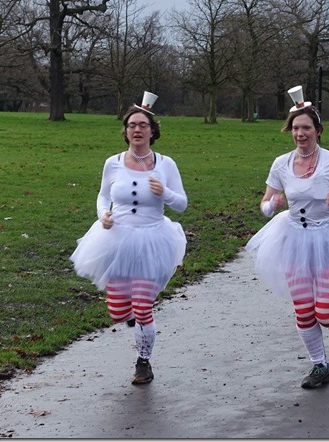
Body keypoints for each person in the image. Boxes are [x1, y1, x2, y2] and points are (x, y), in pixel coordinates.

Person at [246, 86, 329, 389]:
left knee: (323, 312)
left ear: (318, 130)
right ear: (290, 130)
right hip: (293, 239)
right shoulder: (281, 164)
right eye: (296, 128)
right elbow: (264, 204)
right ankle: (319, 366)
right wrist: (270, 206)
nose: (300, 134)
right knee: (303, 310)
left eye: (306, 128)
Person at [70, 91, 188, 385]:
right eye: (132, 125)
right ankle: (133, 316)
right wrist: (103, 215)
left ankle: (143, 362)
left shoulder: (166, 164)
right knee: (118, 310)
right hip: (117, 239)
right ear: (125, 131)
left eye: (143, 125)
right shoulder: (113, 163)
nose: (137, 129)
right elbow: (102, 195)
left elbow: (182, 204)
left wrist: (166, 193)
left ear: (152, 131)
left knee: (143, 305)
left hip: (153, 239)